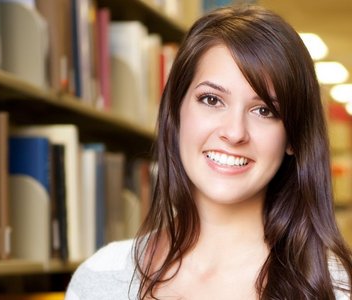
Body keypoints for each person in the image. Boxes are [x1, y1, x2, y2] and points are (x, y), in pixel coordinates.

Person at [65, 4, 352, 299]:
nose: (235, 132)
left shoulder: (334, 289)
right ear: (176, 112)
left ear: (293, 136)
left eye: (264, 110)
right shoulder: (99, 279)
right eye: (212, 99)